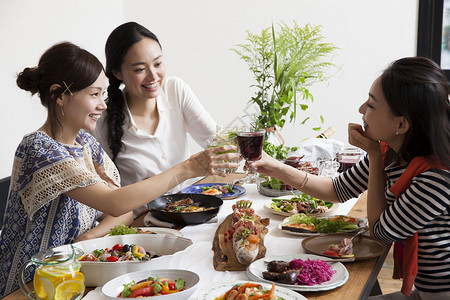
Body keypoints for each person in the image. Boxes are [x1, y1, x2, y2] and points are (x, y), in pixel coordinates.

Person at [0, 42, 237, 297]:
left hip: (75, 273)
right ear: (60, 95)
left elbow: (123, 212)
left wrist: (89, 238)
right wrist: (188, 168)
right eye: (94, 94)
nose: (103, 105)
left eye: (103, 94)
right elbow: (116, 202)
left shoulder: (85, 143)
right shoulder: (40, 148)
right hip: (30, 284)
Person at [251, 57, 450, 299]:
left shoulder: (437, 177)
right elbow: (336, 190)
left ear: (402, 123)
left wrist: (375, 156)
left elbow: (380, 232)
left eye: (372, 105)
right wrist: (276, 167)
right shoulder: (395, 152)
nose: (361, 110)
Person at [92, 22, 217, 209]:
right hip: (141, 222)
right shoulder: (101, 118)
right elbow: (107, 198)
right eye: (139, 69)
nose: (153, 76)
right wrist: (188, 168)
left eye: (158, 63)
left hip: (190, 211)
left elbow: (217, 141)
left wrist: (270, 164)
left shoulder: (175, 90)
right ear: (117, 73)